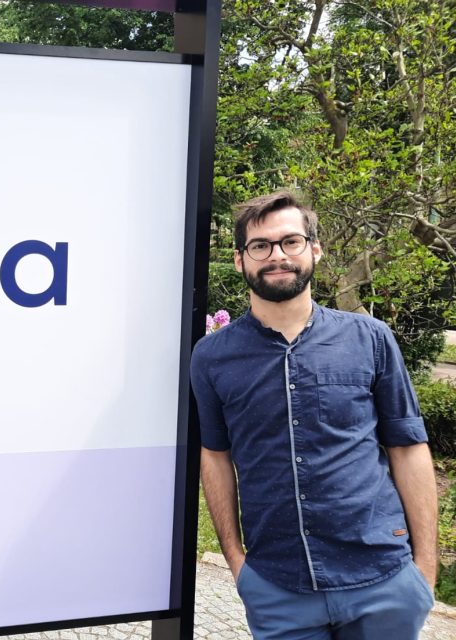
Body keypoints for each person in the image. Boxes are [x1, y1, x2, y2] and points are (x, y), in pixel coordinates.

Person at [190, 191, 438, 640]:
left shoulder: (371, 338)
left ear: (314, 250)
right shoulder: (211, 357)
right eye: (260, 245)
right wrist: (236, 561)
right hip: (277, 586)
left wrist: (424, 571)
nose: (277, 255)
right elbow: (215, 455)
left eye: (291, 241)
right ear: (240, 259)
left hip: (383, 579)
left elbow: (408, 448)